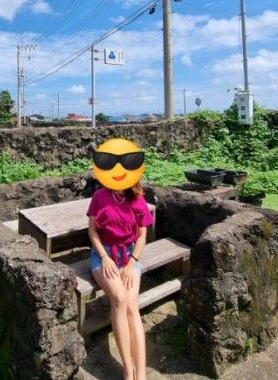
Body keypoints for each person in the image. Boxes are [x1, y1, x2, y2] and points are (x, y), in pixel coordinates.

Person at [87, 138, 153, 380]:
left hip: (129, 255)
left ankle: (141, 374)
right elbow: (92, 231)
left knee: (132, 306)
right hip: (103, 253)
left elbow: (143, 235)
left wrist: (132, 263)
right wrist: (104, 257)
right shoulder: (99, 197)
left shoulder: (137, 199)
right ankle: (128, 370)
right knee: (119, 298)